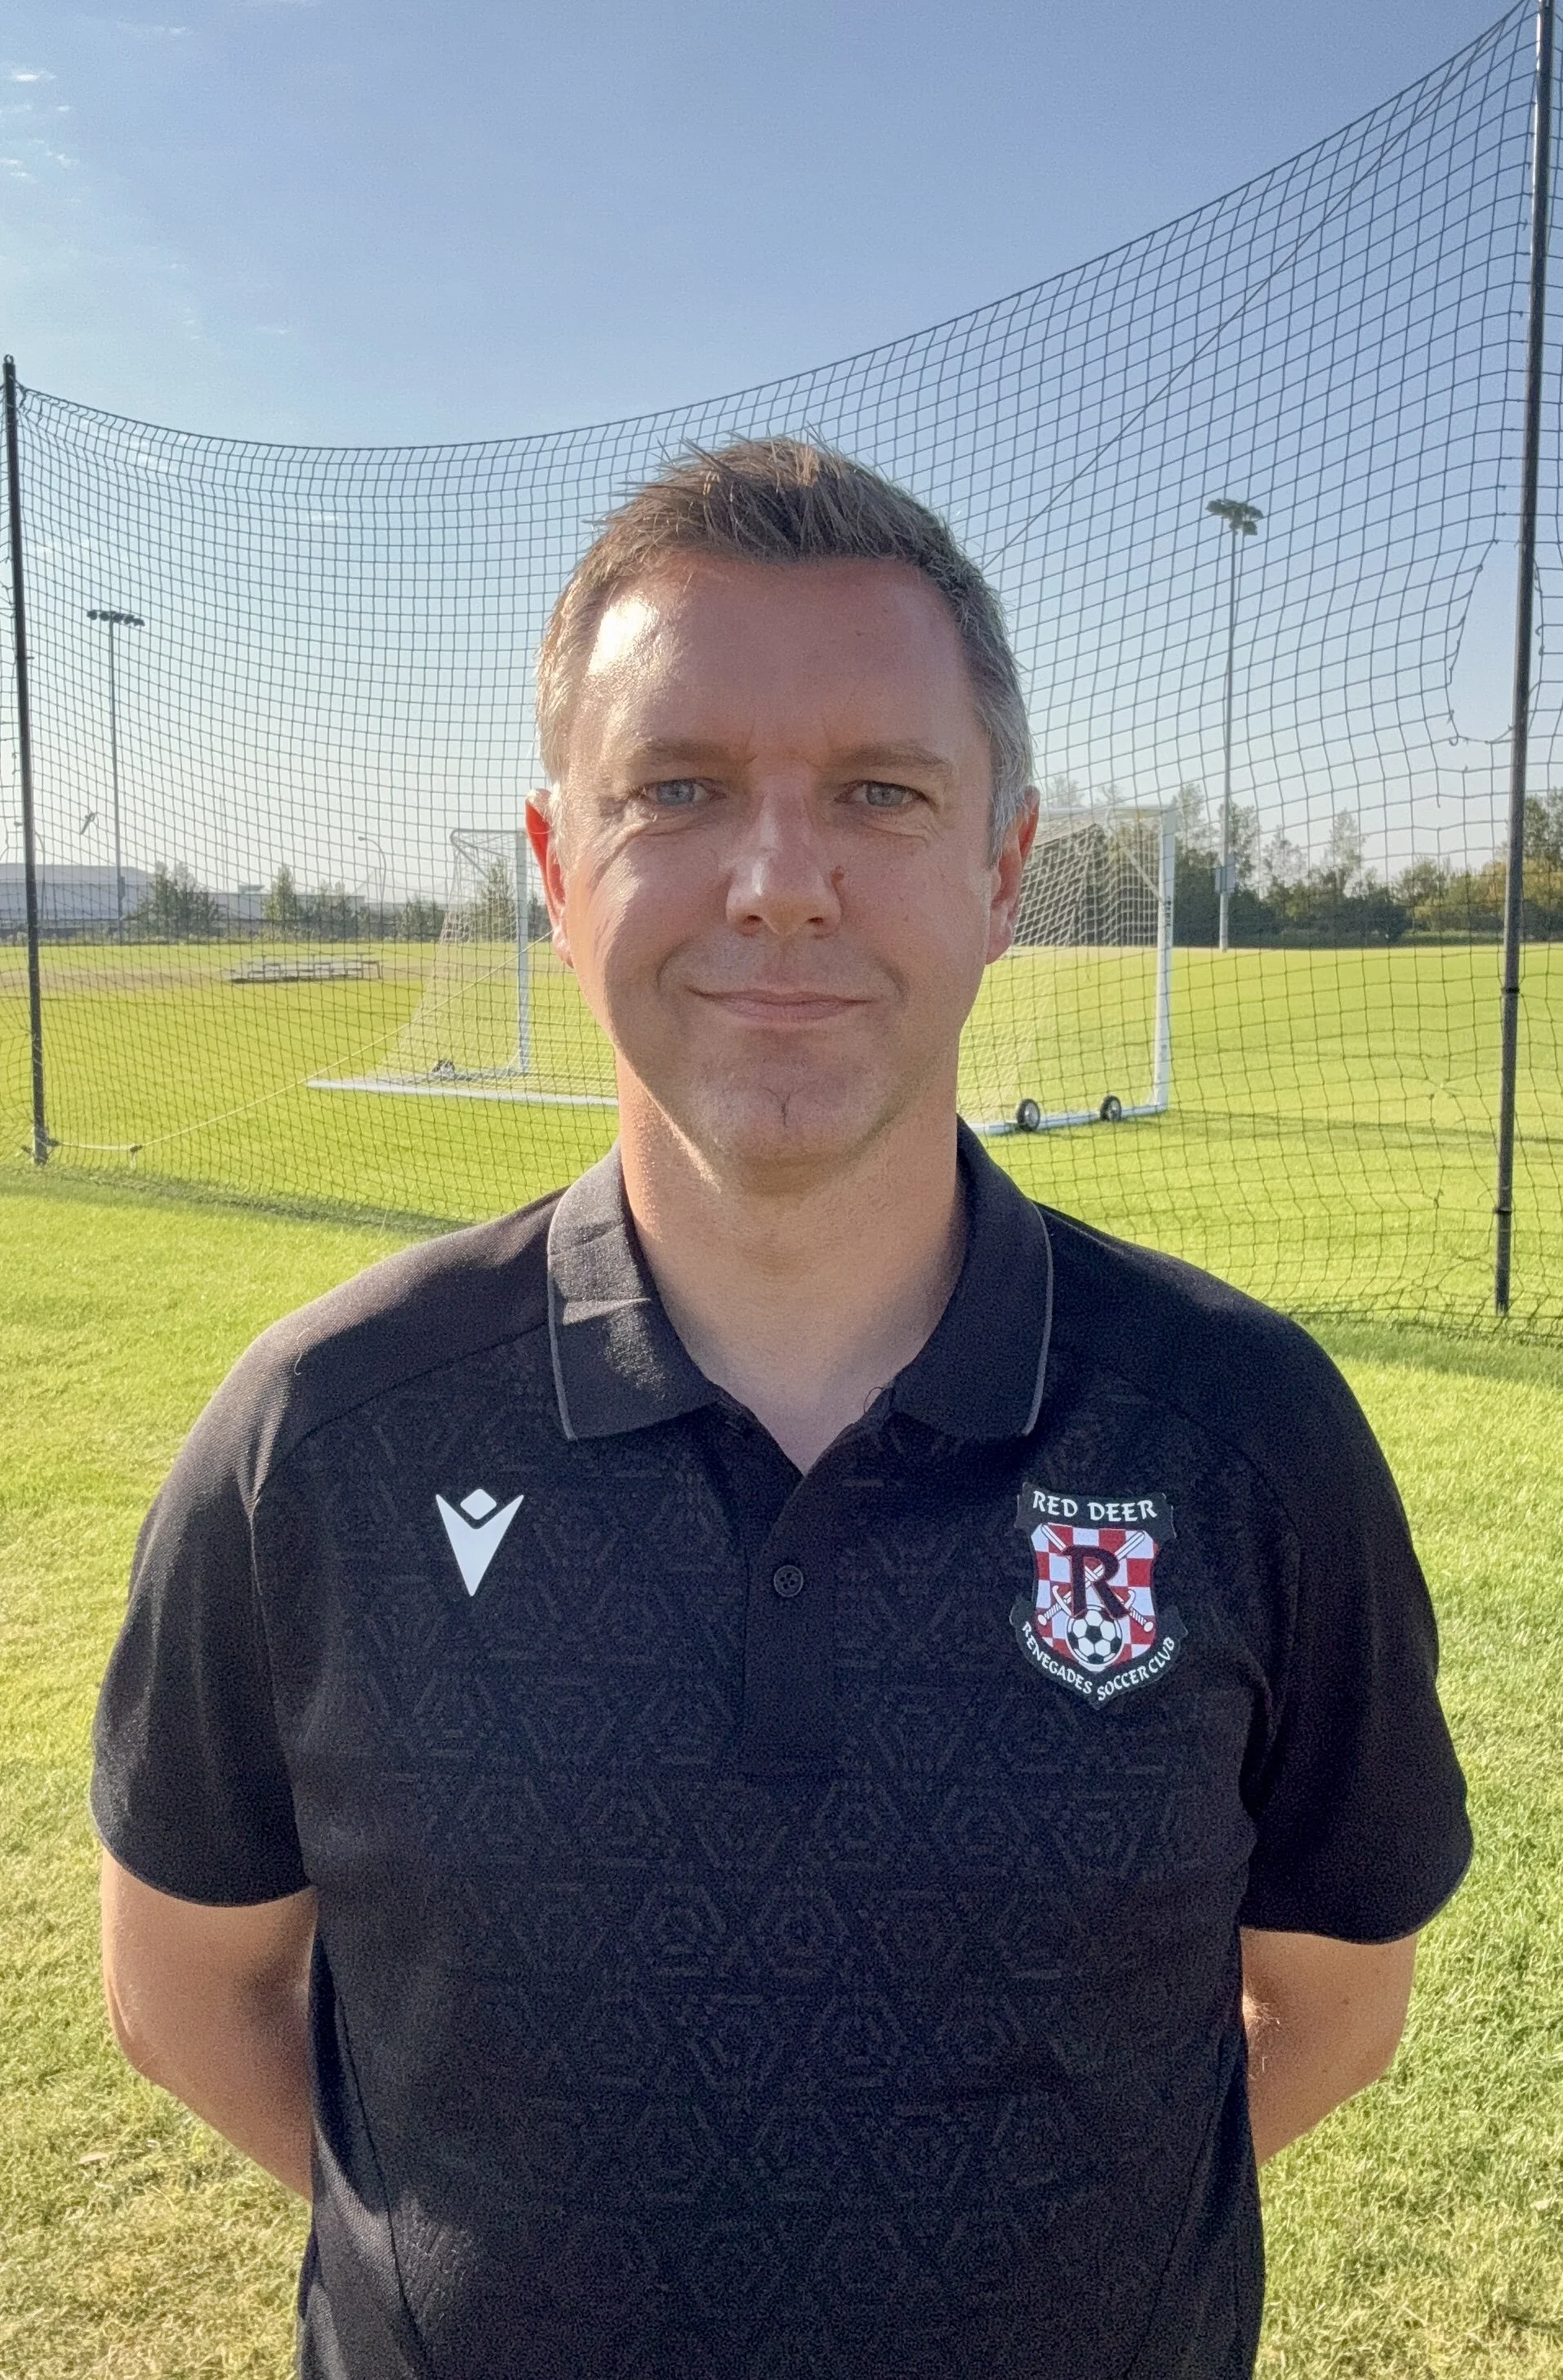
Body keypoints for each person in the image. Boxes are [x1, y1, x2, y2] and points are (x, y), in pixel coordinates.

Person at [93, 439, 1471, 2380]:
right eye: (680, 788)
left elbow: (1329, 2006)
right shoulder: (318, 1435)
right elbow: (184, 1990)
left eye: (880, 794)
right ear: (558, 872)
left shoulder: (1245, 1435)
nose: (779, 882)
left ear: (1005, 871)